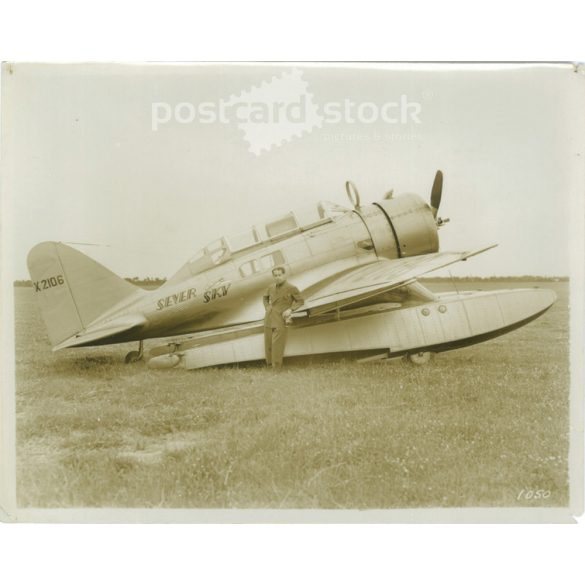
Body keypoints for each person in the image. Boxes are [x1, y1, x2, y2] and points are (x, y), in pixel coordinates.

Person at [263, 266, 303, 369]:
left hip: (280, 318)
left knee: (277, 345)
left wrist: (291, 309)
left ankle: (276, 368)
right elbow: (265, 298)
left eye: (279, 275)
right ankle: (269, 365)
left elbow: (300, 301)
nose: (277, 277)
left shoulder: (291, 287)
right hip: (269, 317)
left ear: (284, 275)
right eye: (275, 275)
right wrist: (267, 307)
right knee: (268, 343)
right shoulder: (270, 287)